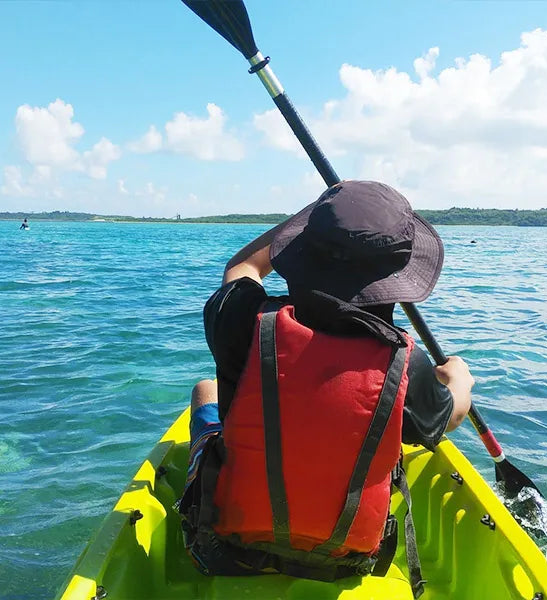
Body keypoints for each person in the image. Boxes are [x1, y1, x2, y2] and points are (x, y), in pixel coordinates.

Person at [177, 181, 474, 595]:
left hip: (229, 545)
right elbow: (450, 416)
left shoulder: (242, 319)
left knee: (205, 389)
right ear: (399, 280)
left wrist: (312, 217)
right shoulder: (408, 366)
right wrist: (459, 378)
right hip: (346, 561)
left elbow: (243, 267)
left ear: (300, 252)